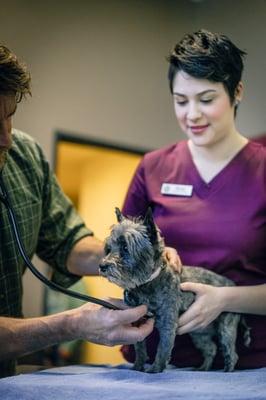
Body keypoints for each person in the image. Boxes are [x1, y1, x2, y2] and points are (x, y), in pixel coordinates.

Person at [0, 44, 160, 379]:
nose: (6, 139)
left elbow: (67, 242)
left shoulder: (24, 157)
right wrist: (71, 324)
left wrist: (130, 256)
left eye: (10, 116)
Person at [121, 29, 266, 369]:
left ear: (237, 93)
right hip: (154, 365)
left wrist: (225, 299)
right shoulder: (153, 167)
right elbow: (120, 255)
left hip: (245, 369)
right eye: (181, 100)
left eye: (206, 99)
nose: (192, 115)